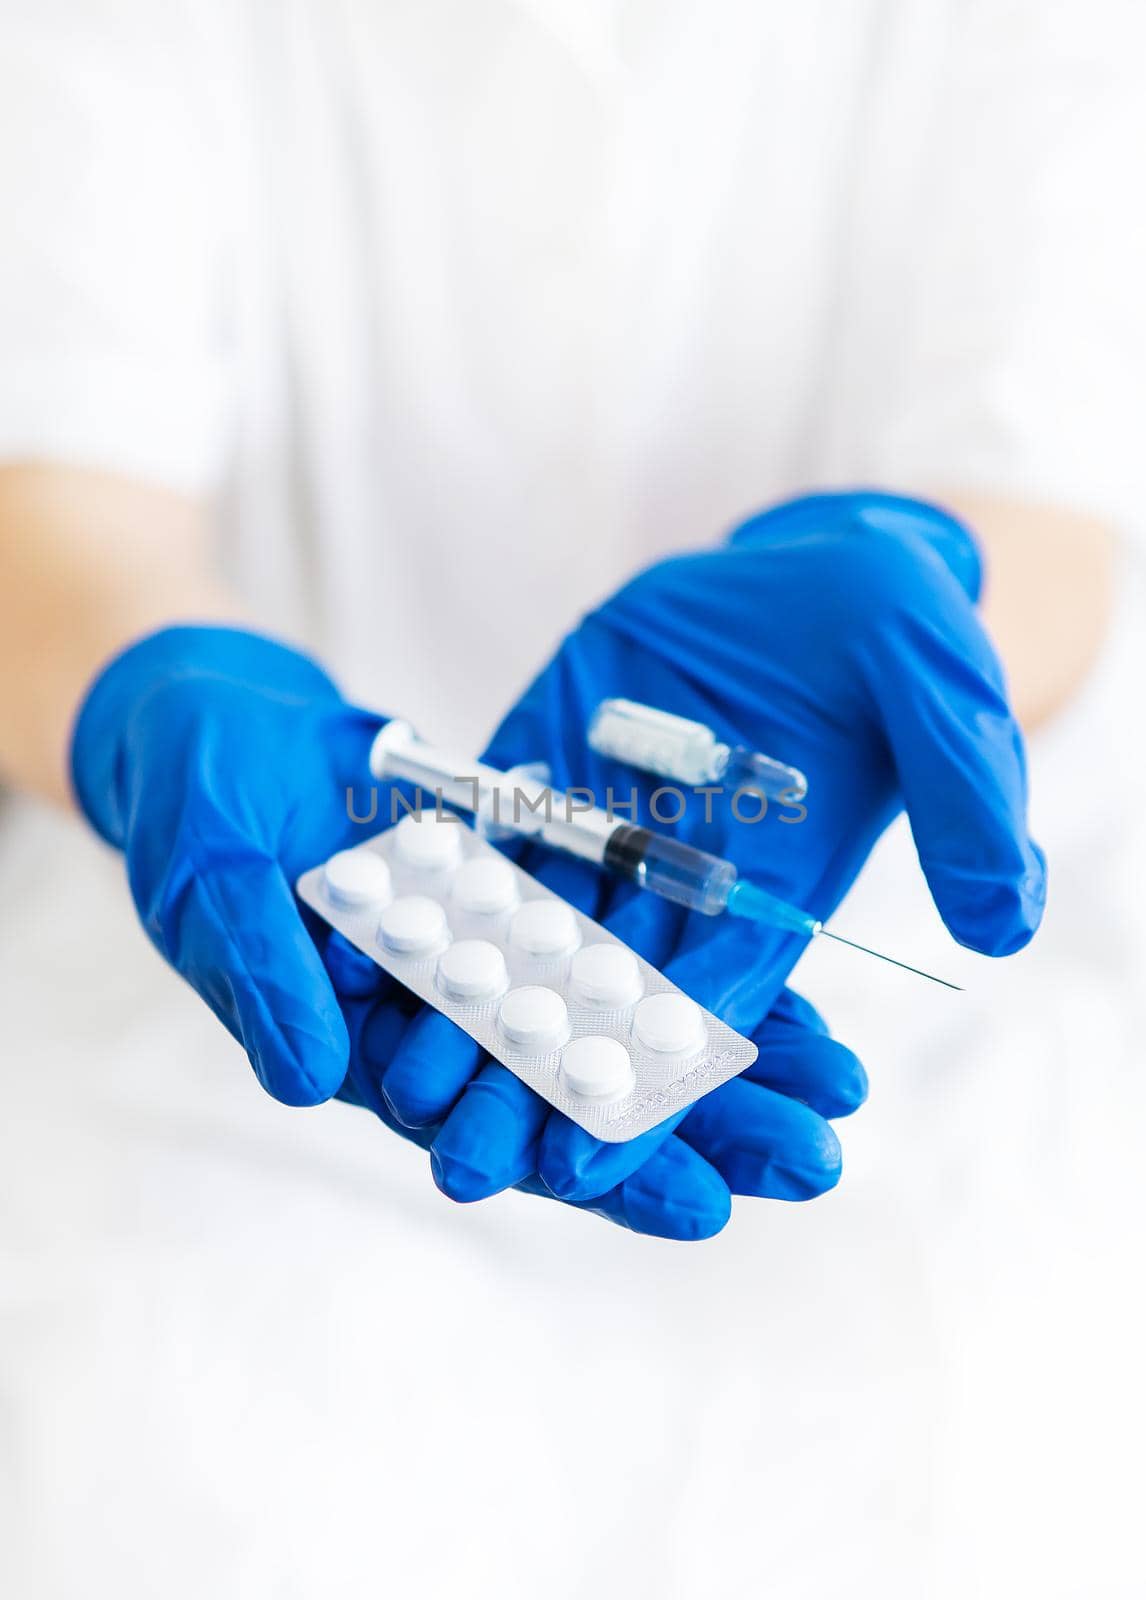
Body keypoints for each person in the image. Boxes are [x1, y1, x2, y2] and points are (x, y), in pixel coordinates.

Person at [0, 2, 1141, 1594]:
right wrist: (149, 686)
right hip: (238, 970)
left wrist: (929, 596)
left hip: (939, 1068)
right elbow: (54, 489)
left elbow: (1049, 511)